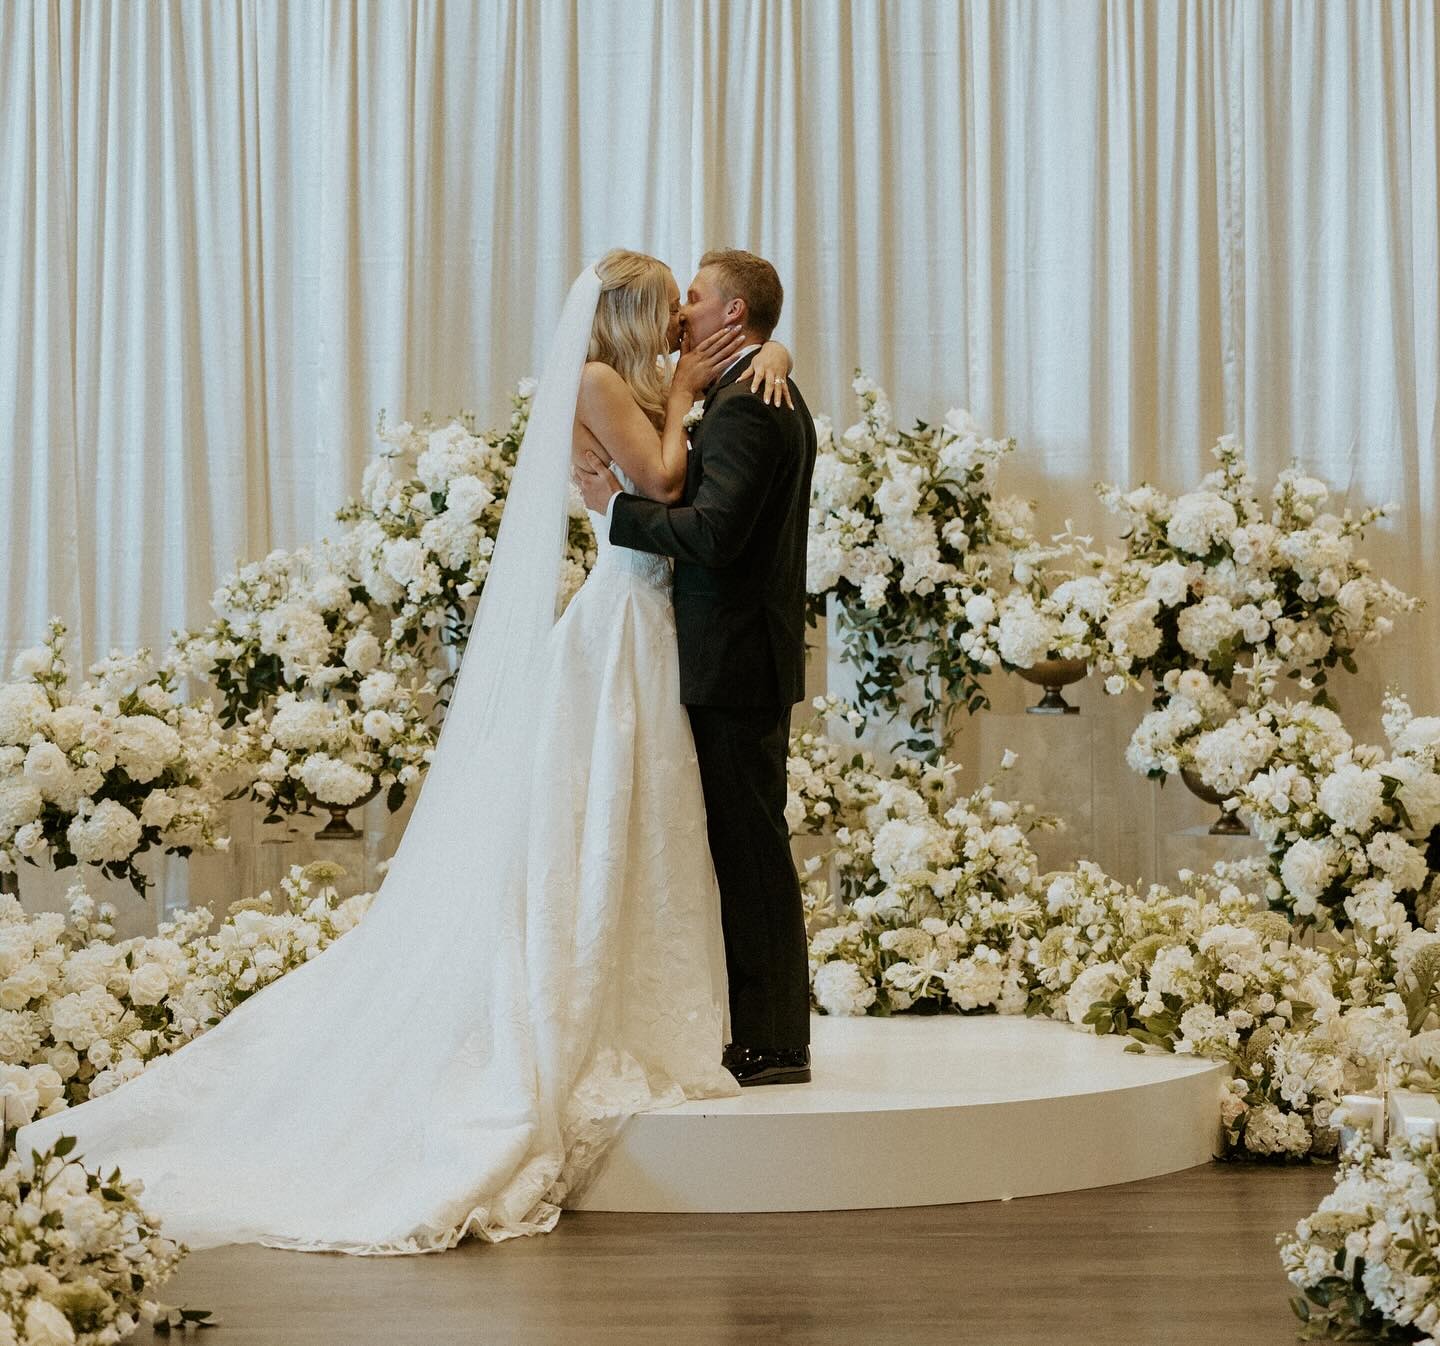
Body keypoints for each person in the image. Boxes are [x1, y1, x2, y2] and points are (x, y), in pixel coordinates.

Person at [17, 249, 795, 1254]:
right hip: (624, 622)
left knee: (639, 812)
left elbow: (688, 454)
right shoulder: (604, 381)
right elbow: (661, 478)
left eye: (695, 305)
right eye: (670, 305)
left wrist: (759, 351)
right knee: (601, 809)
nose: (686, 320)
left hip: (652, 625)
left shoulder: (643, 380)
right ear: (634, 314)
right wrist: (688, 391)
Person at [576, 249, 818, 1087]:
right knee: (734, 841)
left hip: (735, 657)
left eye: (697, 298)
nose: (682, 313)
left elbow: (714, 534)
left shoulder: (752, 401)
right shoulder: (745, 388)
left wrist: (617, 514)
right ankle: (756, 1027)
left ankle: (778, 1041)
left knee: (750, 846)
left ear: (733, 319)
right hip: (722, 651)